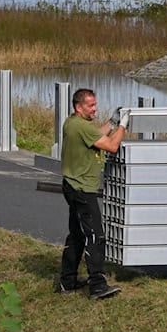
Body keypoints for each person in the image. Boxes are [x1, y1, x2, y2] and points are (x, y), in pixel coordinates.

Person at [58, 88, 128, 300]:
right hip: (82, 190)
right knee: (95, 236)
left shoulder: (72, 123)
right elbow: (112, 146)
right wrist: (123, 126)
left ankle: (67, 282)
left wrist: (112, 122)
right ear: (78, 107)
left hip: (71, 184)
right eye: (90, 106)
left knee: (77, 235)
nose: (95, 108)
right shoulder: (81, 126)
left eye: (95, 104)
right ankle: (97, 286)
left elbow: (96, 134)